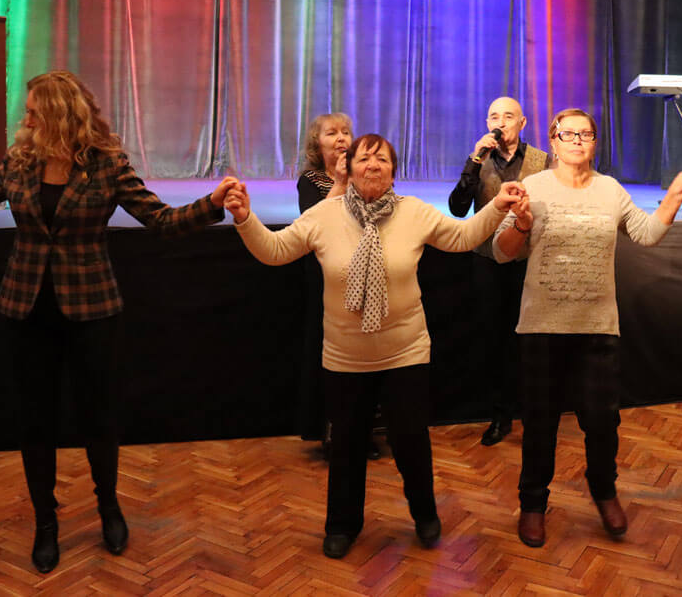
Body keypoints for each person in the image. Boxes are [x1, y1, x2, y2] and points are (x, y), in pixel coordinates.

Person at [0, 71, 236, 574]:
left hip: (92, 311)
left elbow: (160, 221)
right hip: (26, 310)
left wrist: (210, 205)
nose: (26, 119)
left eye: (34, 112)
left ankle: (108, 507)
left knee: (98, 417)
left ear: (59, 114)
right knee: (36, 421)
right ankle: (45, 523)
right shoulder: (19, 161)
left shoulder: (107, 165)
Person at [225, 133, 525, 559]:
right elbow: (275, 251)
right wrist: (244, 217)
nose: (373, 165)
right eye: (364, 158)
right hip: (345, 357)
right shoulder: (324, 215)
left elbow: (461, 238)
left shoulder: (413, 212)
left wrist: (498, 207)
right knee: (346, 445)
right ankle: (342, 525)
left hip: (405, 352)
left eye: (382, 159)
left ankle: (424, 515)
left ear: (393, 172)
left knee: (411, 442)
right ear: (348, 168)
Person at [493, 107, 682, 547]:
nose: (576, 141)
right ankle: (533, 503)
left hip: (597, 328)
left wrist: (675, 194)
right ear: (553, 142)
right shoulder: (534, 186)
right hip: (542, 327)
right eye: (567, 134)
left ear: (594, 142)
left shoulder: (610, 190)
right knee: (540, 424)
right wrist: (524, 225)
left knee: (603, 422)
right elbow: (502, 250)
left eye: (585, 134)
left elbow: (646, 233)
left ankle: (604, 492)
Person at [448, 96, 550, 446]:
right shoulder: (479, 160)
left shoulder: (542, 161)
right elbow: (457, 208)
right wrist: (473, 161)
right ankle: (500, 414)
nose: (501, 122)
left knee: (531, 340)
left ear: (523, 123)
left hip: (528, 262)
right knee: (493, 339)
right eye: (494, 116)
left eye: (508, 116)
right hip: (487, 262)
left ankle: (534, 412)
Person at [296, 113, 382, 460]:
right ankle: (333, 432)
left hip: (363, 273)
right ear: (317, 144)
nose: (342, 138)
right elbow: (318, 222)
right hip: (326, 277)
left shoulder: (365, 175)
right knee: (332, 355)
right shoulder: (311, 180)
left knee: (364, 354)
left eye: (346, 131)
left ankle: (365, 430)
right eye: (332, 133)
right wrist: (343, 181)